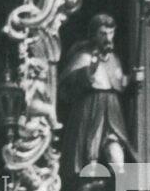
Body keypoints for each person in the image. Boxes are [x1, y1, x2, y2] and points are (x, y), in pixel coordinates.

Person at [58, 12, 138, 180]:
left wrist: (133, 80)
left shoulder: (114, 59)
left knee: (116, 150)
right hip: (90, 109)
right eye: (103, 33)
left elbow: (119, 83)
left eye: (111, 33)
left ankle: (120, 186)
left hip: (113, 110)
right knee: (89, 151)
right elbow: (68, 84)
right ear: (94, 35)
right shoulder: (83, 57)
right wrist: (90, 70)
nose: (108, 38)